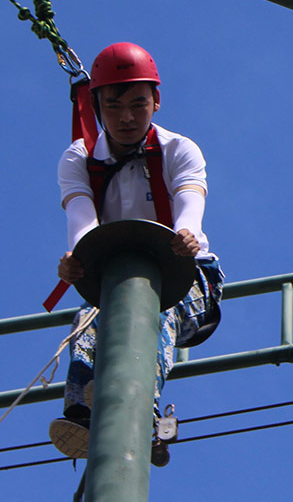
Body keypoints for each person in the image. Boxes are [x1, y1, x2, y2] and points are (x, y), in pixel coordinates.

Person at [48, 42, 223, 461]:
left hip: (186, 274)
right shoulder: (80, 158)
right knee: (86, 320)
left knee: (150, 309)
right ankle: (81, 411)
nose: (126, 117)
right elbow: (81, 217)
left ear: (156, 102)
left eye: (137, 104)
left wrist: (187, 234)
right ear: (96, 107)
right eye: (113, 106)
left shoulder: (178, 149)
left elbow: (189, 200)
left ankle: (141, 408)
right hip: (115, 273)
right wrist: (78, 257)